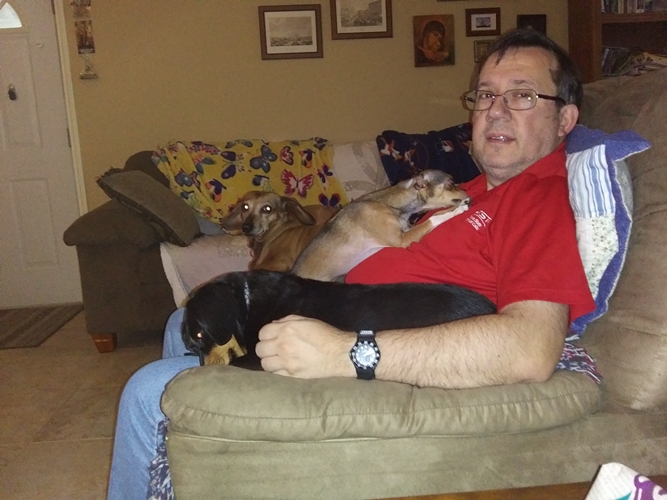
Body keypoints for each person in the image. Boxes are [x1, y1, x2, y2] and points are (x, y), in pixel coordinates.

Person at [108, 28, 596, 500]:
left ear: (565, 119)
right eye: (485, 95)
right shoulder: (466, 193)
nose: (496, 110)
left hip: (360, 345)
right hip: (334, 309)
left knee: (150, 392)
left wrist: (344, 352)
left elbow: (531, 348)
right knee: (183, 322)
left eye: (522, 95)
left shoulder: (538, 199)